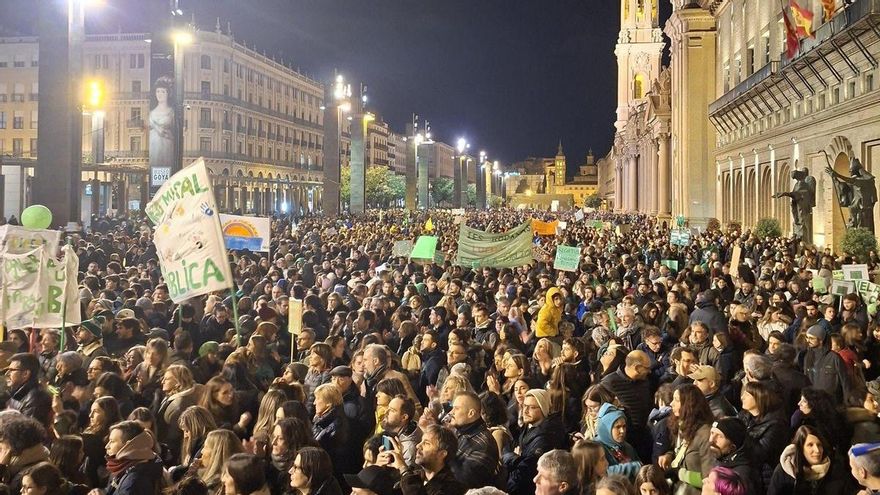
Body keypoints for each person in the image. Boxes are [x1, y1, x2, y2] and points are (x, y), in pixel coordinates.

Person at [504, 389, 567, 495]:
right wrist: (517, 457)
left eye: (532, 407)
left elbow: (525, 473)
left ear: (543, 409)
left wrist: (515, 457)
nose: (525, 411)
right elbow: (509, 448)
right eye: (524, 406)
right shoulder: (529, 425)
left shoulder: (546, 436)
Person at [379, 423, 467, 495]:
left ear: (442, 454)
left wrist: (403, 469)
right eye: (421, 441)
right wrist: (381, 468)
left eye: (426, 443)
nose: (418, 446)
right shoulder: (417, 475)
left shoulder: (452, 486)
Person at [767, 425, 853, 495]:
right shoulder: (784, 472)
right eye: (810, 445)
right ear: (800, 448)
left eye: (819, 445)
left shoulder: (835, 469)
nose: (817, 450)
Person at [601, 350, 652, 462]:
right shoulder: (609, 383)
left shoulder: (645, 382)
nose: (649, 371)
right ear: (637, 368)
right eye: (647, 368)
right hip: (623, 442)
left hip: (644, 438)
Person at [738, 381, 788, 490]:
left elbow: (760, 454)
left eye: (747, 395)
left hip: (764, 476)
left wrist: (740, 435)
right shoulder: (744, 415)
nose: (742, 397)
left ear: (758, 397)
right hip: (747, 469)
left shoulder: (775, 424)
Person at [447, 391, 501, 489]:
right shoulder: (459, 431)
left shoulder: (483, 445)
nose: (451, 413)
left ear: (471, 413)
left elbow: (464, 482)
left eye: (457, 408)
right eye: (452, 408)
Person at [94, 420, 165, 495]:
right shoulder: (125, 468)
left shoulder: (134, 482)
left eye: (112, 441)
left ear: (128, 446)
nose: (107, 446)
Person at [802, 324, 851, 405]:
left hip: (832, 404)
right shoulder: (807, 356)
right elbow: (806, 380)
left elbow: (845, 382)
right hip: (813, 404)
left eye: (811, 338)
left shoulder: (834, 357)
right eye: (807, 337)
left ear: (821, 340)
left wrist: (847, 404)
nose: (808, 340)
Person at [709, 417, 759, 494]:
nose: (711, 440)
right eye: (712, 433)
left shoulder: (742, 475)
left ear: (733, 445)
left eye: (719, 436)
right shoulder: (721, 458)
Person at [0, 416, 50, 493]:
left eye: (2, 441)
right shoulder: (43, 457)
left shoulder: (23, 478)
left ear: (12, 445)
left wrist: (1, 466)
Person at [595, 403, 641, 480]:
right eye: (617, 427)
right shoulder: (594, 448)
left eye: (624, 426)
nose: (622, 431)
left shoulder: (627, 447)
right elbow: (598, 473)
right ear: (606, 428)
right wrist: (632, 468)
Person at [5, 352, 52, 428]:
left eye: (12, 370)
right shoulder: (15, 392)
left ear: (25, 374)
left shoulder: (36, 399)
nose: (7, 373)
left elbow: (28, 433)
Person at [149, 75, 175, 170]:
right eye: (158, 91)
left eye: (163, 92)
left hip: (166, 146)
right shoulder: (151, 113)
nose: (159, 94)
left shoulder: (172, 112)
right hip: (153, 146)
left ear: (168, 93)